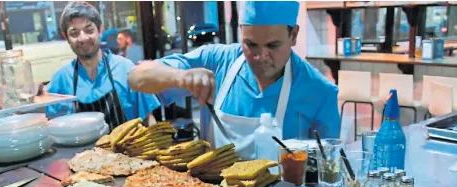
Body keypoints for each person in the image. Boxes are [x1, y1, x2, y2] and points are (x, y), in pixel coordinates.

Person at [128, 1, 340, 158]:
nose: (260, 57)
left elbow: (329, 166)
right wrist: (180, 76)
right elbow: (136, 78)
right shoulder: (216, 60)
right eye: (251, 45)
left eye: (273, 46)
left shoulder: (319, 91)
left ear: (293, 35)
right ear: (240, 32)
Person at [46, 1, 160, 129]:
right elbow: (45, 121)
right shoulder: (61, 78)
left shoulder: (125, 68)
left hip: (125, 148)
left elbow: (149, 120)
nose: (83, 38)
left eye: (89, 30)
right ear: (66, 37)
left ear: (100, 30)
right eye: (74, 33)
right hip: (82, 150)